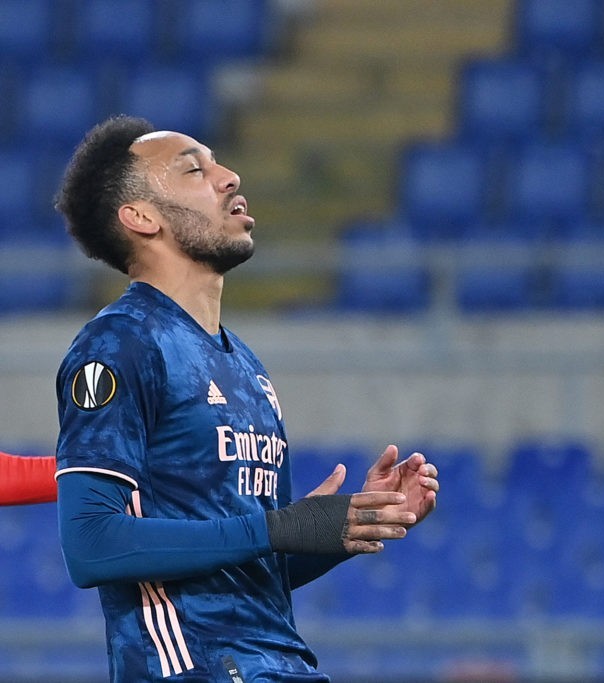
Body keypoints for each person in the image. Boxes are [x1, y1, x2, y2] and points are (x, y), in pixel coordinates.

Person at [52, 115, 439, 682]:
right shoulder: (120, 343)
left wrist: (348, 525)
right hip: (191, 668)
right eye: (195, 170)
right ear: (140, 217)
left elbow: (245, 564)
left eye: (219, 164)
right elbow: (92, 545)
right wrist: (277, 527)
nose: (229, 177)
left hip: (278, 663)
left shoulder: (246, 366)